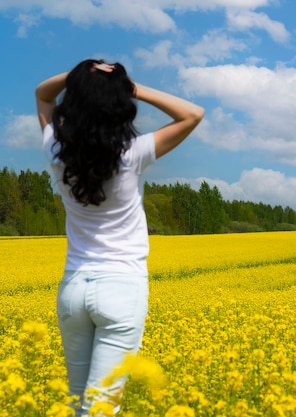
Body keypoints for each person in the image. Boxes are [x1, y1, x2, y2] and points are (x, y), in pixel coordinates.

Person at [35, 59, 204, 416]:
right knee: (101, 409)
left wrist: (82, 76)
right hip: (121, 287)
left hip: (73, 290)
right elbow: (192, 114)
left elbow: (42, 95)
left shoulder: (56, 150)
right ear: (119, 103)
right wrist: (130, 86)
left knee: (79, 401)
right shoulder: (132, 153)